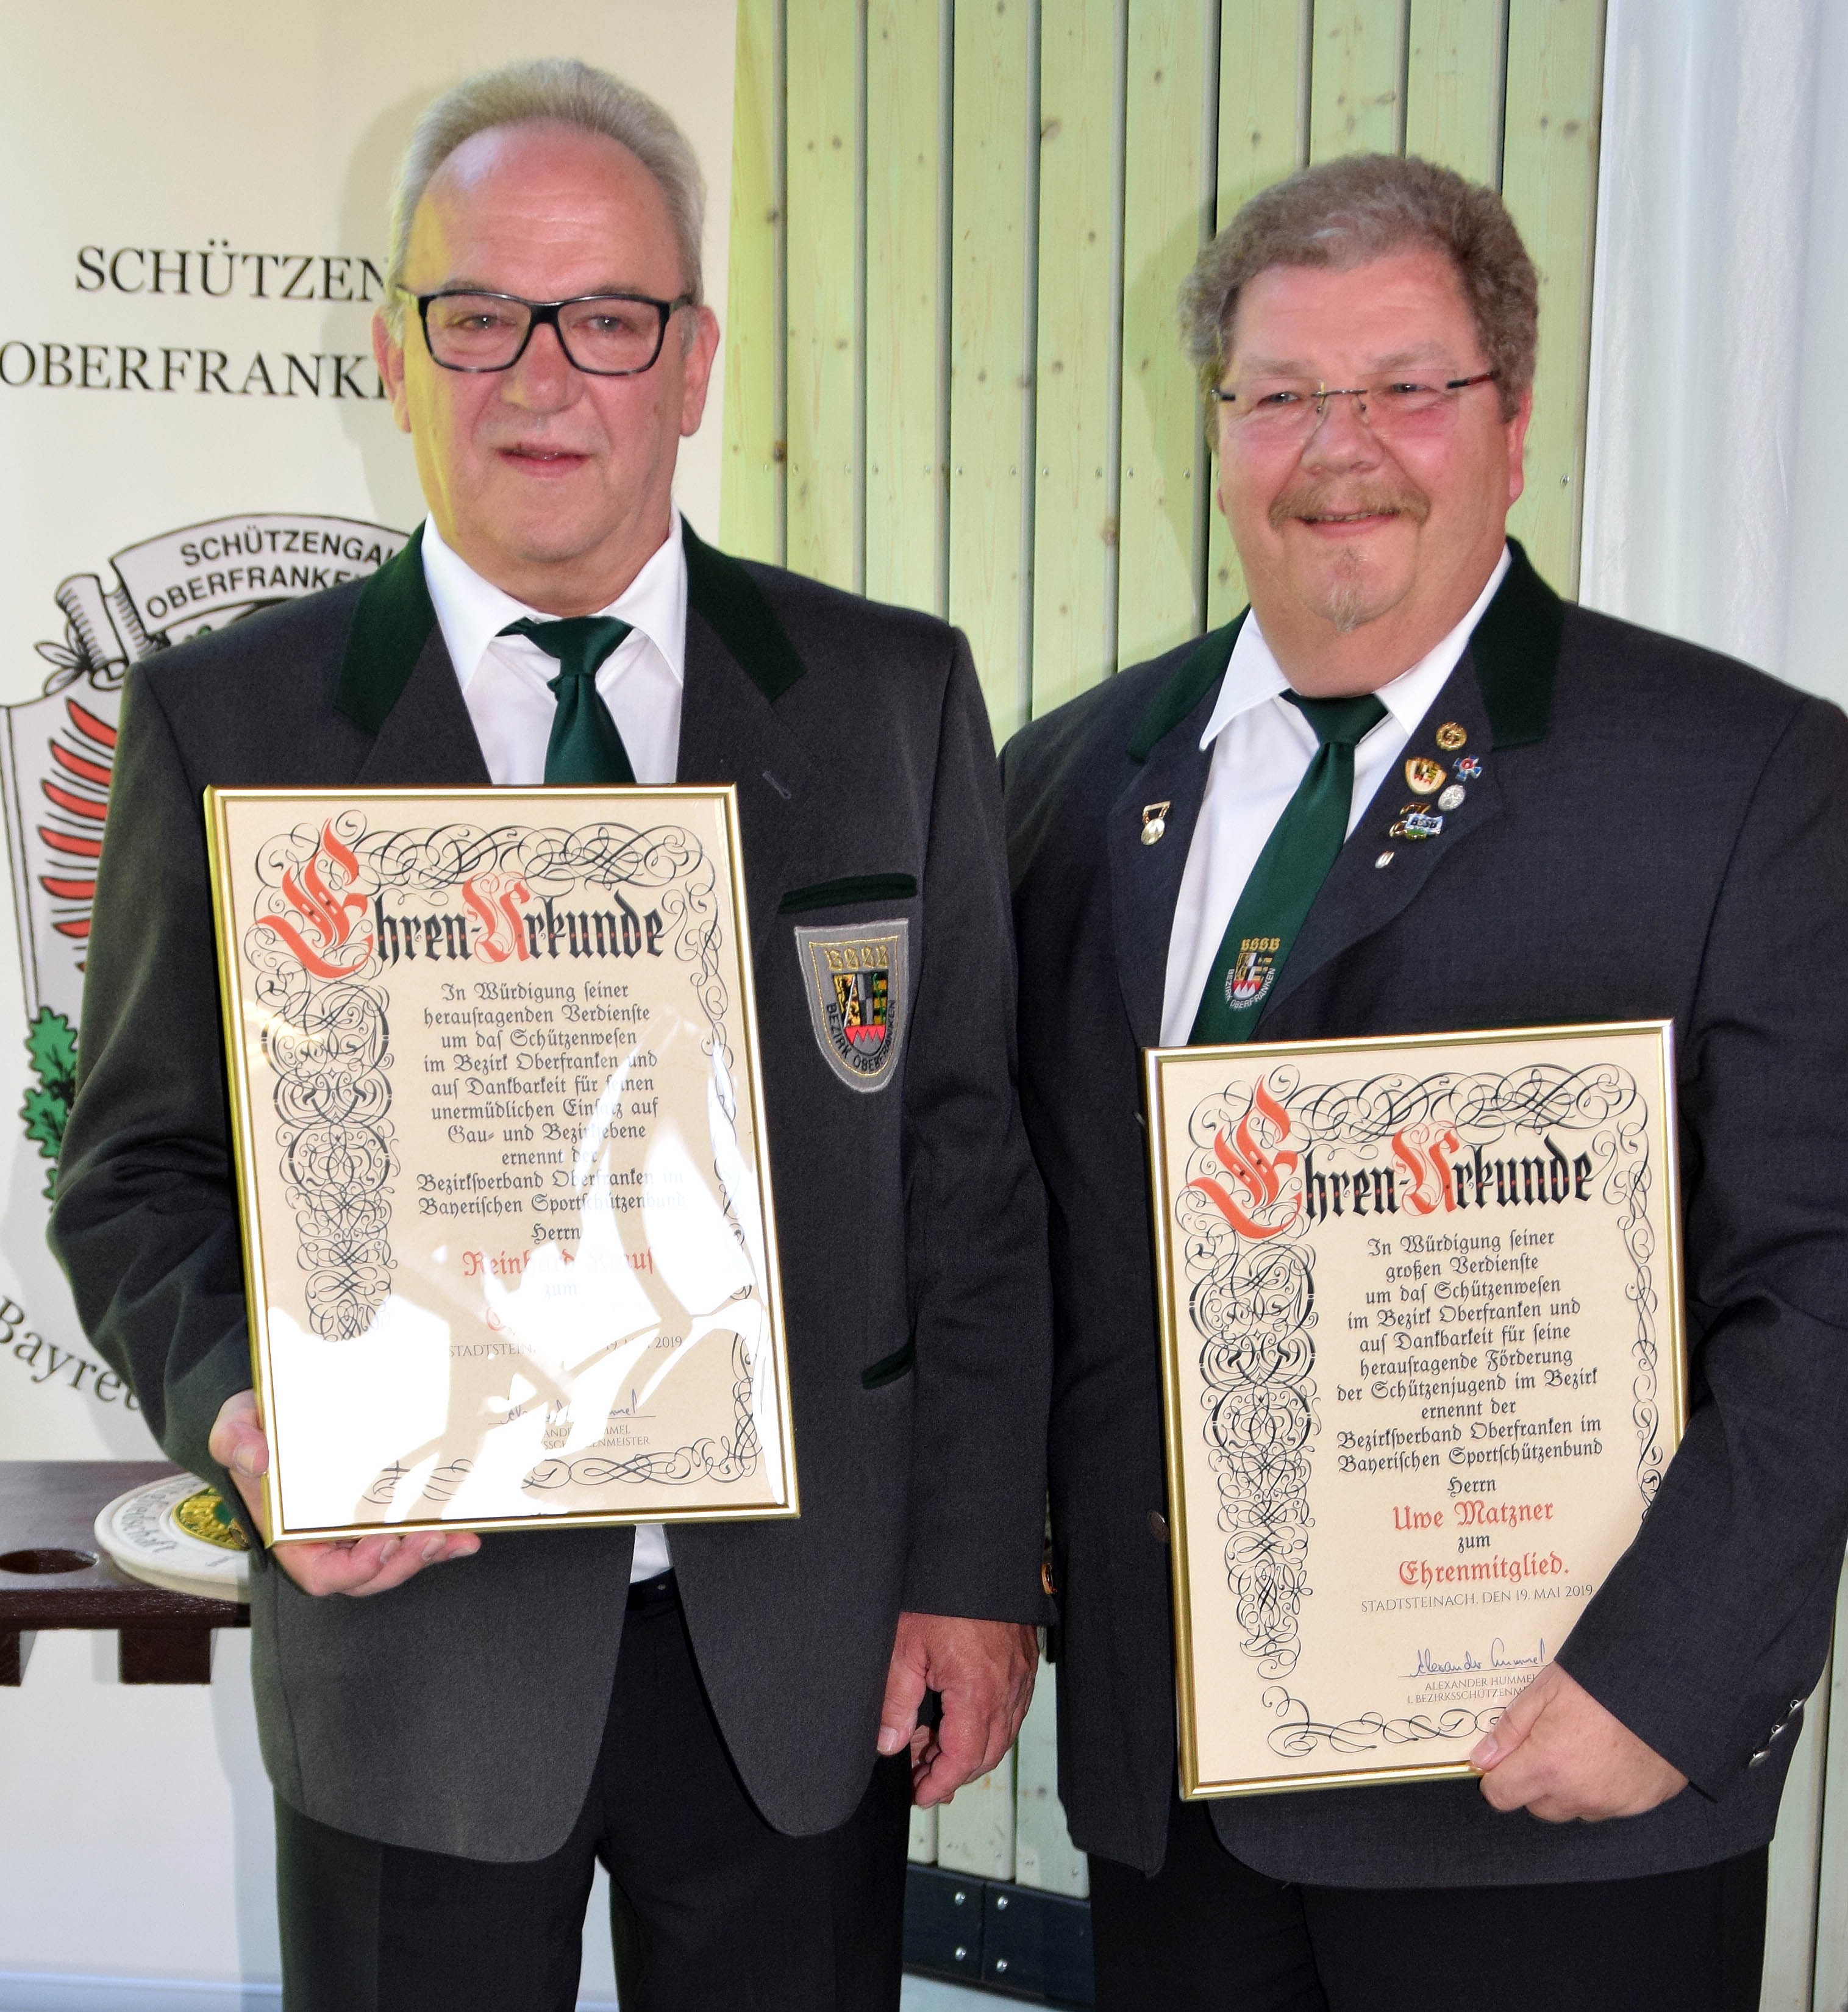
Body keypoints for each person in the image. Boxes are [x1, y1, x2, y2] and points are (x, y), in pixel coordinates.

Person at [51, 58, 1050, 2012]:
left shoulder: (887, 699)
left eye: (608, 318)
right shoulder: (225, 726)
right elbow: (141, 1175)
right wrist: (257, 1418)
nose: (540, 374)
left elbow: (968, 1173)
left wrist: (976, 1573)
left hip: (802, 1658)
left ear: (692, 363)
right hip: (418, 1659)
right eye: (479, 313)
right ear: (394, 356)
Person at [1003, 152, 1848, 2012]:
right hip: (1181, 1799)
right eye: (1283, 395)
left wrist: (1675, 1677)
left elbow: (1825, 1280)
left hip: (1559, 1782)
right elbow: (1005, 1233)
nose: (1340, 447)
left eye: (1406, 388)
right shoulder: (1065, 784)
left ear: (1515, 424)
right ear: (1216, 430)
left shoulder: (1745, 783)